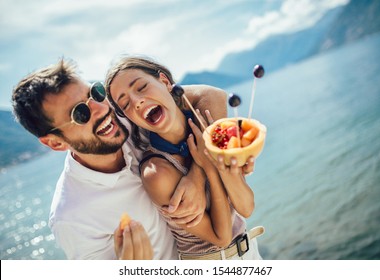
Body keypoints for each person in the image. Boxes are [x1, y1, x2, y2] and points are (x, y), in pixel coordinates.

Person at [11, 58, 228, 259]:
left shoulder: (128, 115)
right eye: (80, 114)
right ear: (56, 143)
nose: (102, 109)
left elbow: (211, 96)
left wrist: (197, 174)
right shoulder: (72, 218)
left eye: (95, 93)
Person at [105, 56, 264, 260]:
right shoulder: (156, 172)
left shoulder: (209, 126)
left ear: (164, 82)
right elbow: (221, 236)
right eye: (125, 104)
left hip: (250, 254)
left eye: (142, 87)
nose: (137, 102)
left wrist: (221, 163)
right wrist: (206, 165)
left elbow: (246, 207)